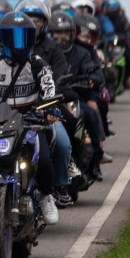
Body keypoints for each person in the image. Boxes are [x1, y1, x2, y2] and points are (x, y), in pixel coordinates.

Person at [0, 12, 60, 224]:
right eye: (13, 38)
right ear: (0, 39)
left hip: (29, 122)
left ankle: (46, 196)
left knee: (43, 159)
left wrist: (51, 108)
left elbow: (49, 90)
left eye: (24, 37)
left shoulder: (38, 64)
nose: (19, 44)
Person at [15, 0, 72, 206]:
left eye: (37, 19)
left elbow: (59, 76)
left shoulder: (52, 48)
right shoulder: (6, 47)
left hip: (42, 108)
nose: (32, 23)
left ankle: (60, 185)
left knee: (62, 143)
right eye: (27, 18)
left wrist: (49, 100)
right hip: (10, 112)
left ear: (45, 23)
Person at [50, 11, 106, 184]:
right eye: (56, 32)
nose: (60, 37)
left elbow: (94, 73)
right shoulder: (47, 51)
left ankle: (95, 160)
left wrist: (91, 83)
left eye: (64, 32)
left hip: (76, 98)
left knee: (90, 114)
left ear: (72, 33)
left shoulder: (82, 52)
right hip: (50, 99)